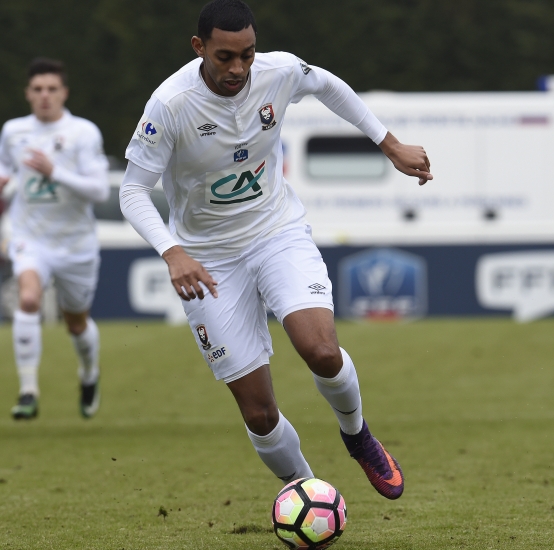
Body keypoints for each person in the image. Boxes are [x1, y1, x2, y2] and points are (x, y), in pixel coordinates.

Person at [120, 0, 432, 499]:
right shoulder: (169, 104)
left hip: (276, 232)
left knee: (321, 350)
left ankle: (358, 436)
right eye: (225, 57)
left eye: (247, 54)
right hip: (208, 261)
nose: (238, 68)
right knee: (259, 413)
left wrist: (388, 143)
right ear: (199, 48)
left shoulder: (279, 71)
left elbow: (327, 84)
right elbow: (132, 190)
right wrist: (172, 251)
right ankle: (307, 493)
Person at [0, 58, 109, 420]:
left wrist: (55, 172)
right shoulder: (13, 131)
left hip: (76, 244)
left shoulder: (84, 133)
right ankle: (28, 390)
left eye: (51, 89)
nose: (44, 95)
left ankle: (89, 374)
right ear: (28, 94)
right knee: (28, 298)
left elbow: (98, 190)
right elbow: (6, 171)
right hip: (30, 237)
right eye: (37, 89)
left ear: (64, 92)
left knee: (76, 323)